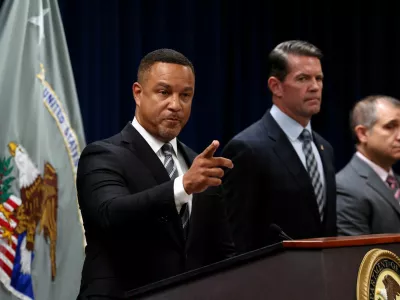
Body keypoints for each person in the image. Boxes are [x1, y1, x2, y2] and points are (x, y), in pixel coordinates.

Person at [76, 48, 235, 299]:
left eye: (186, 95)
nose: (175, 105)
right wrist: (182, 186)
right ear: (138, 94)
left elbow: (222, 252)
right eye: (164, 92)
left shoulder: (199, 165)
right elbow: (110, 214)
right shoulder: (102, 154)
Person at [221, 40, 337, 254]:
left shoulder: (325, 148)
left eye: (319, 78)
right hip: (270, 282)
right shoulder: (247, 148)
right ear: (276, 86)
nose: (315, 87)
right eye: (303, 78)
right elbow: (235, 239)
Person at [336, 95, 400, 235]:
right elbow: (355, 254)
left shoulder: (396, 181)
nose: (399, 136)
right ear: (363, 133)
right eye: (390, 127)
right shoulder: (346, 187)